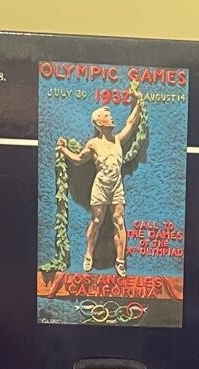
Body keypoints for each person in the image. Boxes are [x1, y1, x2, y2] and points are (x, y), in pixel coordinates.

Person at [58, 85, 143, 278]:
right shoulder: (93, 144)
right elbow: (79, 159)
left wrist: (137, 101)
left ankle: (120, 261)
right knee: (96, 220)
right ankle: (88, 254)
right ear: (99, 122)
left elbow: (131, 123)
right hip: (100, 188)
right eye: (108, 115)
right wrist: (63, 149)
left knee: (119, 222)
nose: (112, 118)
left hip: (116, 187)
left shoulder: (118, 140)